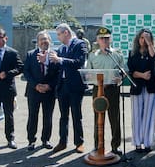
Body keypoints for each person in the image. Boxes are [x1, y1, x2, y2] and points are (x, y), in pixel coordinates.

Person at [48, 22, 88, 153]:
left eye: (59, 34)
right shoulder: (62, 48)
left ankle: (79, 142)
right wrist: (47, 61)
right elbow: (57, 66)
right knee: (63, 116)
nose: (58, 37)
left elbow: (78, 62)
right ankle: (62, 142)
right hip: (63, 86)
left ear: (66, 33)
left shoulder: (80, 44)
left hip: (75, 86)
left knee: (77, 114)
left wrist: (59, 59)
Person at [87, 26, 125, 155]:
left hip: (112, 89)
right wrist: (92, 78)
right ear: (97, 40)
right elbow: (87, 73)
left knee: (115, 118)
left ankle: (115, 145)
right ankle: (98, 145)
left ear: (110, 40)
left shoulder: (117, 54)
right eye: (102, 39)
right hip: (98, 90)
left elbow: (123, 70)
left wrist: (120, 77)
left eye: (107, 38)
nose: (104, 41)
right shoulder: (92, 55)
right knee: (98, 118)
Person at [23, 30, 60, 151]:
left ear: (50, 41)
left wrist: (49, 86)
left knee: (48, 116)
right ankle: (31, 141)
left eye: (46, 39)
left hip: (49, 91)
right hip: (34, 91)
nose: (44, 41)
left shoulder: (55, 55)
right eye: (41, 39)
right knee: (33, 116)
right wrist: (36, 85)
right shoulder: (30, 54)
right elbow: (26, 72)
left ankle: (45, 140)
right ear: (38, 42)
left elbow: (58, 73)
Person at [127, 28, 155, 153]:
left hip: (151, 88)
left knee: (149, 115)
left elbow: (154, 58)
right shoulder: (132, 53)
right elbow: (131, 71)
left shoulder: (152, 51)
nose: (143, 40)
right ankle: (137, 142)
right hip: (137, 87)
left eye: (146, 38)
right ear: (137, 39)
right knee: (136, 115)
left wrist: (149, 43)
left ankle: (147, 143)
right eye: (141, 37)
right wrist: (142, 75)